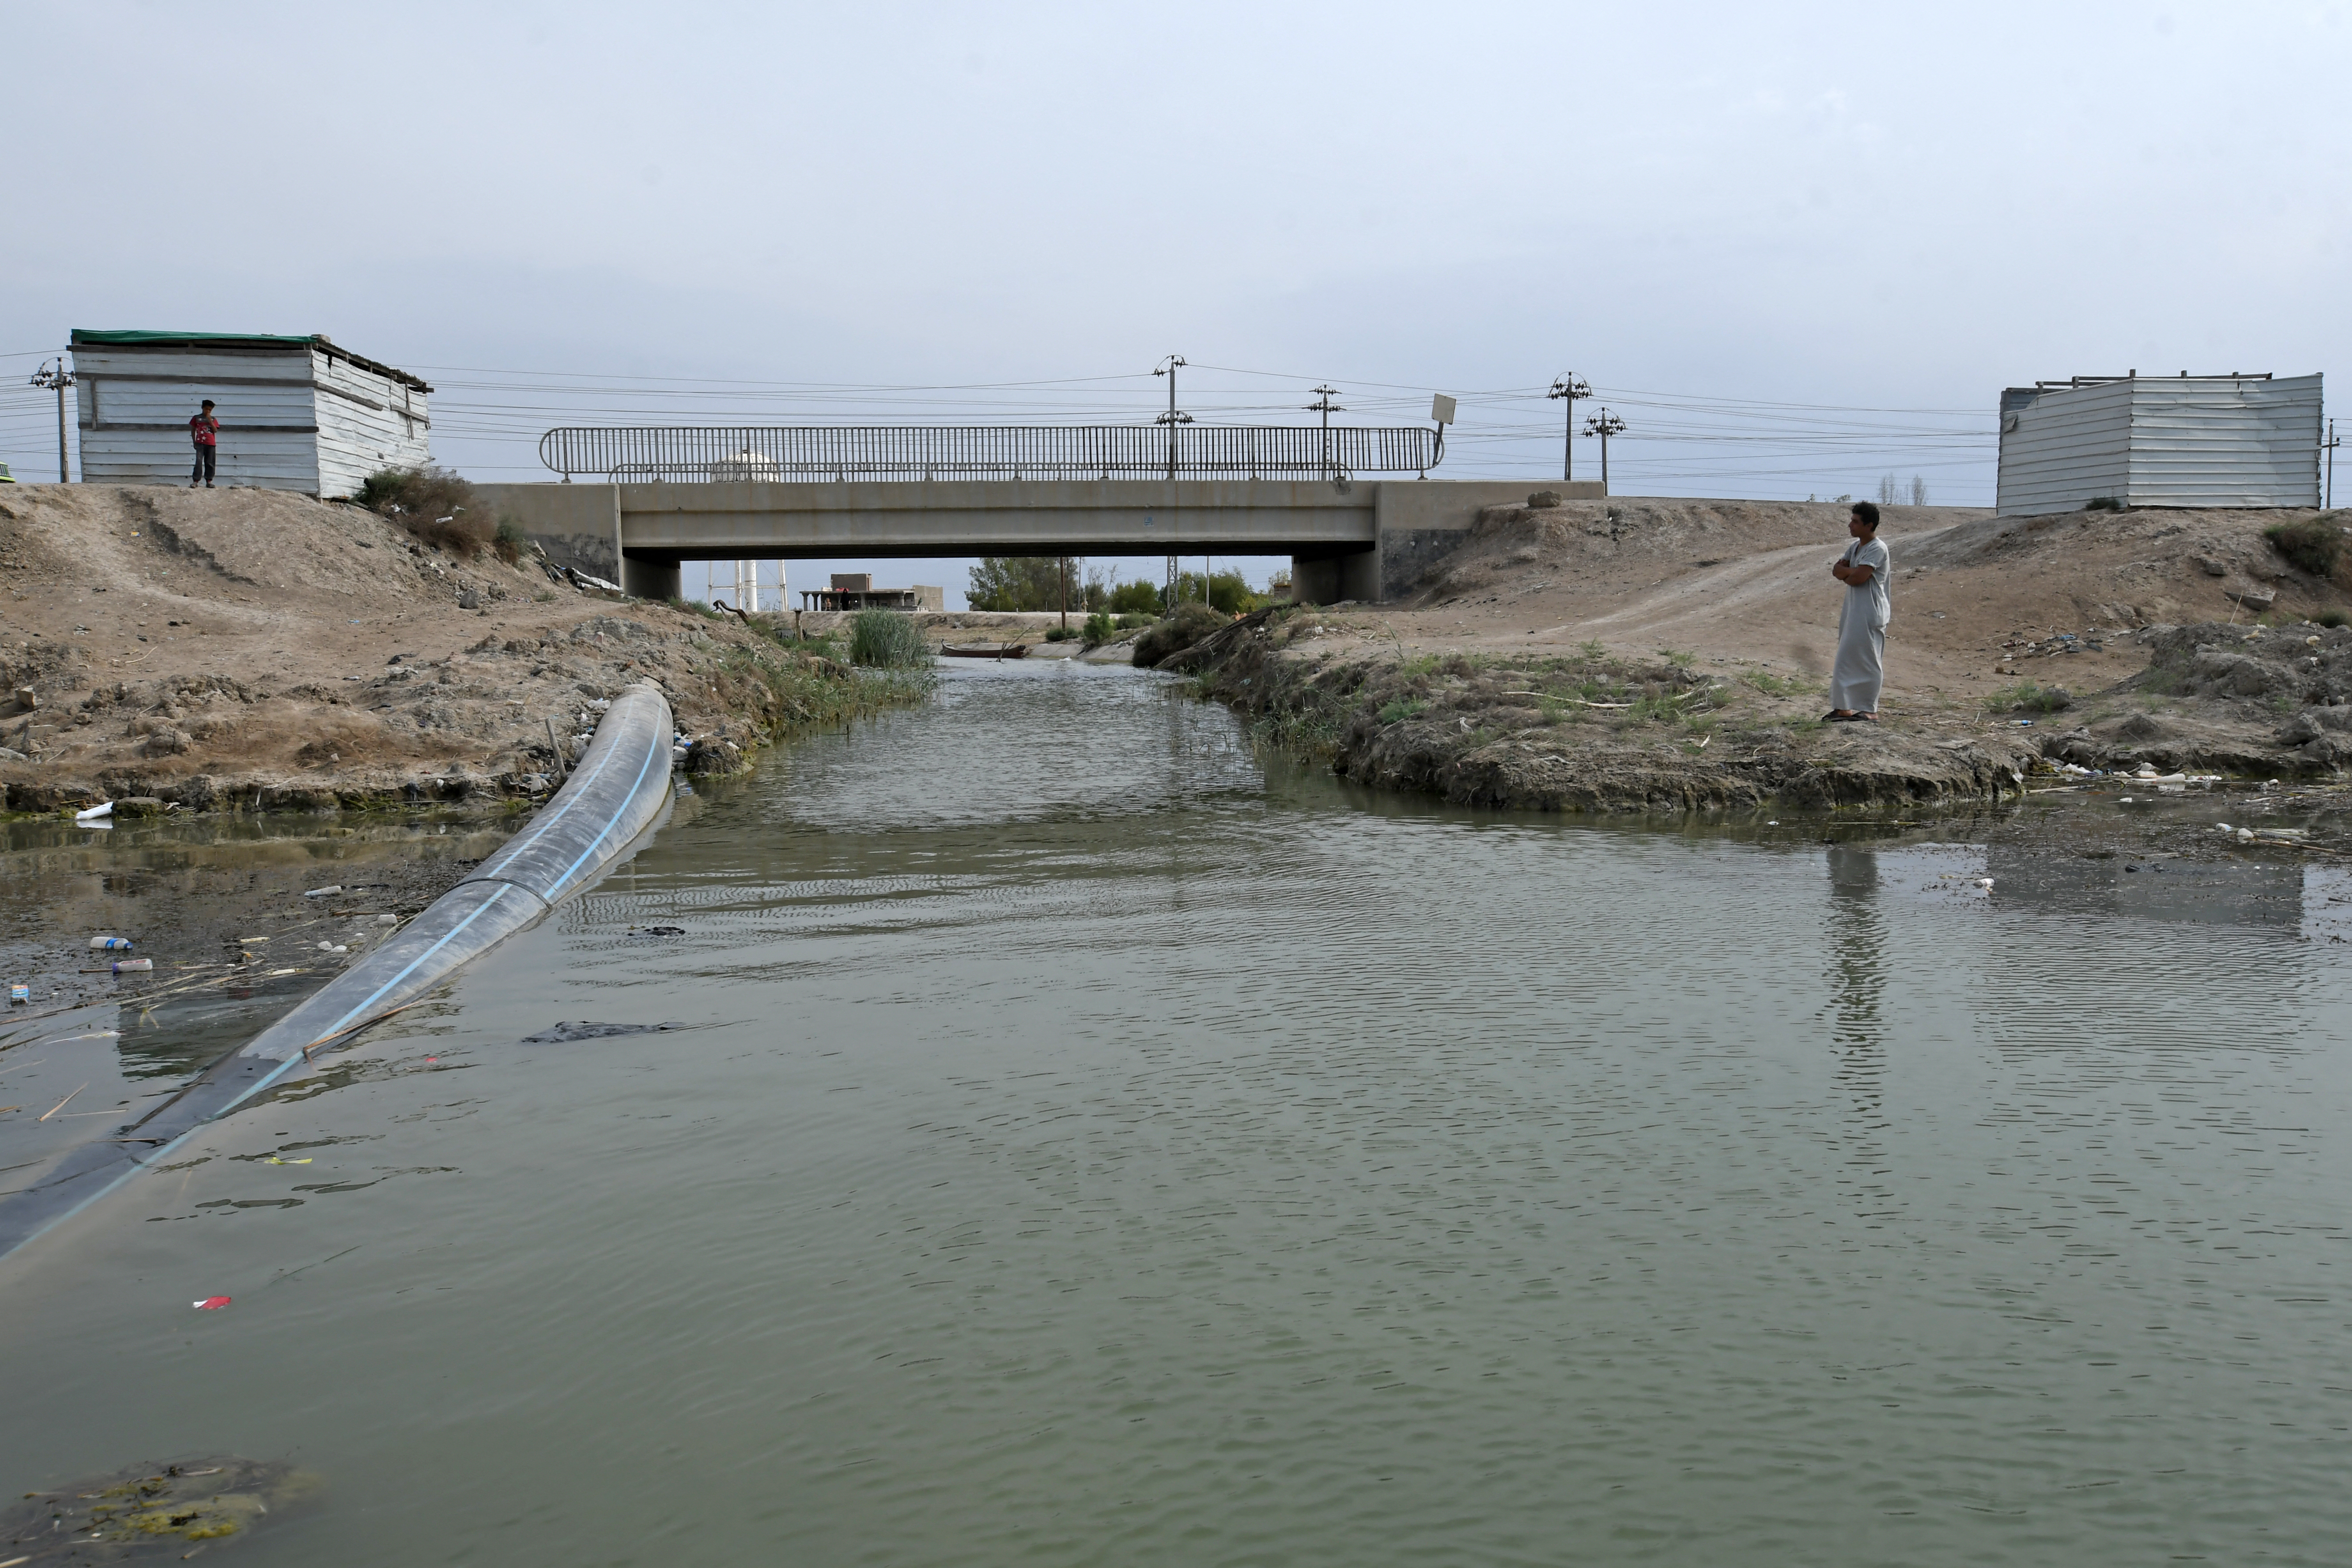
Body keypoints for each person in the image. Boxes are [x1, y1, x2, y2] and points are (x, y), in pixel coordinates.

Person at [1826, 500, 1890, 721]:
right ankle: (1844, 707)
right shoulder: (1855, 548)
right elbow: (1837, 571)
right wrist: (1849, 572)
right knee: (1846, 657)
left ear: (1869, 525)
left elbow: (1858, 579)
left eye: (1855, 522)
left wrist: (1849, 572)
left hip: (1870, 610)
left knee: (1869, 658)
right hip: (1853, 609)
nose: (1850, 525)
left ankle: (1870, 710)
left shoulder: (1878, 549)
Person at [189, 400, 219, 489]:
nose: (208, 411)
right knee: (199, 461)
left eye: (210, 410)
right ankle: (196, 481)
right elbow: (193, 430)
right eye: (206, 409)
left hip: (211, 443)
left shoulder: (213, 419)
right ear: (202, 408)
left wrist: (210, 420)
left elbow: (215, 430)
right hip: (200, 443)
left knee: (210, 462)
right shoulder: (197, 418)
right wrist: (194, 442)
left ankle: (209, 481)